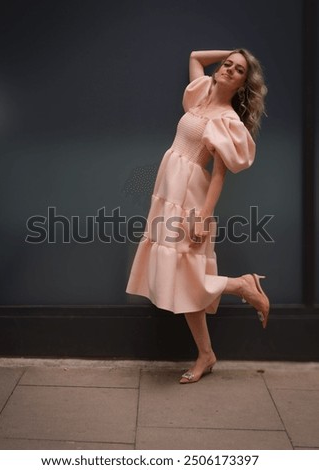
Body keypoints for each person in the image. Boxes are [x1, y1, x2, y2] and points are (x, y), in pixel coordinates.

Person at [126, 49, 269, 384]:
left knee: (187, 274)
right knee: (184, 276)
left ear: (242, 84)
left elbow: (219, 174)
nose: (229, 69)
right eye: (227, 65)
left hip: (189, 198)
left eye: (238, 70)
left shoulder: (226, 121)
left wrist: (204, 217)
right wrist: (235, 50)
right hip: (168, 192)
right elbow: (194, 56)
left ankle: (241, 286)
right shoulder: (201, 91)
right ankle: (207, 353)